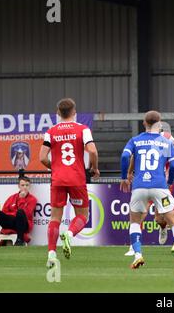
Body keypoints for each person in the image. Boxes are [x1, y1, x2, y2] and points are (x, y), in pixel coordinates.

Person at [120, 110, 174, 269]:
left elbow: (125, 157)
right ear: (160, 124)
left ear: (143, 123)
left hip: (139, 186)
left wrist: (124, 177)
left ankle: (138, 254)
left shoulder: (135, 140)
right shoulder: (166, 142)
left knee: (135, 221)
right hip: (160, 185)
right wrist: (169, 180)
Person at [39, 98, 100, 268]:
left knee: (55, 218)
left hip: (58, 179)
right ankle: (70, 235)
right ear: (74, 112)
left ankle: (51, 254)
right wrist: (94, 168)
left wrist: (56, 167)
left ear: (58, 113)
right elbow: (93, 151)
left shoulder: (51, 131)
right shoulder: (83, 129)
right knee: (82, 215)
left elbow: (42, 157)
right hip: (77, 178)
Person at [0, 176, 37, 246]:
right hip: (11, 221)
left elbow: (27, 214)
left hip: (23, 223)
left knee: (20, 212)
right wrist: (11, 215)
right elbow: (4, 212)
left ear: (29, 186)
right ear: (19, 186)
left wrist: (22, 199)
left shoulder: (32, 199)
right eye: (22, 185)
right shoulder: (12, 198)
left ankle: (19, 240)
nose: (25, 187)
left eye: (27, 185)